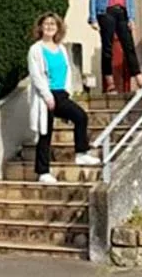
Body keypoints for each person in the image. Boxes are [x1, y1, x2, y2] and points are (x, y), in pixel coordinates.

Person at [27, 13, 99, 185]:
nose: (50, 27)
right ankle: (43, 172)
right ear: (40, 27)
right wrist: (46, 95)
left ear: (58, 28)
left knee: (80, 116)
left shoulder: (61, 49)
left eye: (53, 24)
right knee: (45, 133)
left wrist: (67, 91)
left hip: (61, 94)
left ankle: (81, 153)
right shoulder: (36, 49)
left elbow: (66, 71)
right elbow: (36, 75)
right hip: (45, 95)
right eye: (46, 24)